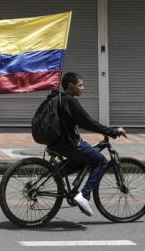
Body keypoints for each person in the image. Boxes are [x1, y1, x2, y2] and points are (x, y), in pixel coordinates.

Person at [49, 72, 126, 217]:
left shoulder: (59, 98)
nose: (83, 88)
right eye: (80, 85)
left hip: (58, 143)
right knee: (100, 160)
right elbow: (87, 122)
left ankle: (58, 174)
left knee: (87, 158)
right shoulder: (70, 101)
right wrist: (112, 131)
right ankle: (84, 196)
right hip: (69, 143)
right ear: (71, 86)